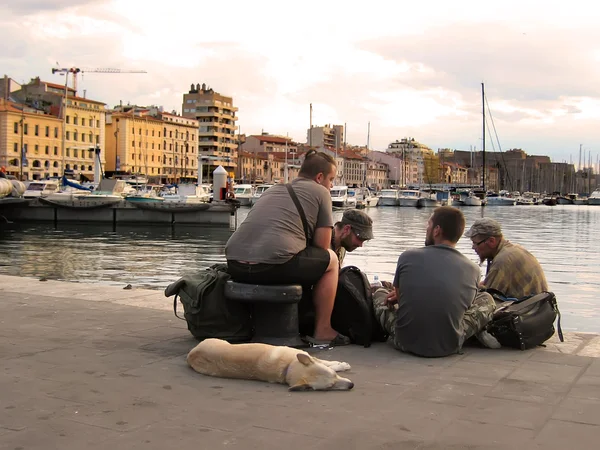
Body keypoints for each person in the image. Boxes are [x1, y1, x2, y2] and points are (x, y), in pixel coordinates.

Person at [225, 150, 350, 346]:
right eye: (331, 179)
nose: (332, 185)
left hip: (235, 265)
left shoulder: (273, 189)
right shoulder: (321, 192)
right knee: (331, 260)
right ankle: (323, 329)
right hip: (272, 267)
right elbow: (322, 246)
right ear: (319, 177)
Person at [373, 206, 499, 357]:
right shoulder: (473, 269)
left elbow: (400, 300)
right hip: (450, 345)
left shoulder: (407, 256)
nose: (426, 229)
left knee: (380, 292)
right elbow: (465, 307)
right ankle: (478, 333)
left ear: (437, 230)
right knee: (487, 299)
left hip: (405, 341)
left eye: (428, 225)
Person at [465, 217, 548, 299]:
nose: (473, 247)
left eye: (475, 243)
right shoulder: (513, 250)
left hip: (528, 310)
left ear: (491, 241)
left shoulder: (502, 262)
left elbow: (488, 299)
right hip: (537, 307)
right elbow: (488, 284)